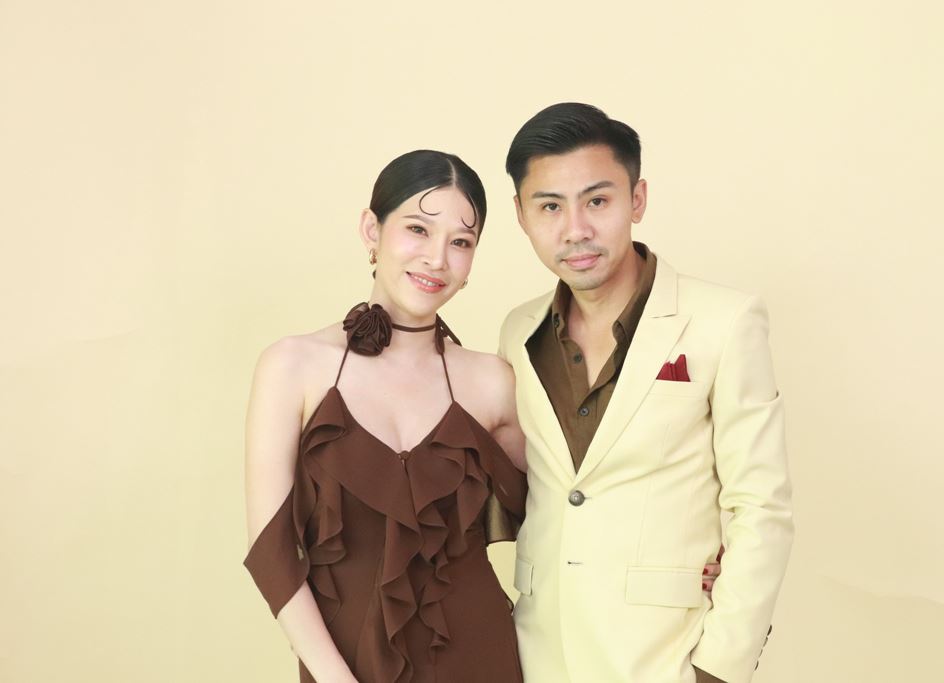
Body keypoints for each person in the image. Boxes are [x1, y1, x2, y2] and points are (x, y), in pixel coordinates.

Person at [498, 103, 794, 683]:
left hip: (666, 659)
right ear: (521, 215)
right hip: (537, 654)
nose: (575, 229)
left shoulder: (724, 321)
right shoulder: (518, 331)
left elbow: (762, 507)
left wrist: (718, 667)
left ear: (637, 200)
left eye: (597, 201)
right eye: (550, 206)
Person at [242, 150, 529, 683]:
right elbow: (272, 553)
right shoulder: (292, 366)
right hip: (343, 665)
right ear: (371, 230)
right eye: (418, 229)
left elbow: (572, 513)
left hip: (482, 656)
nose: (437, 259)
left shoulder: (493, 381)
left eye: (461, 242)